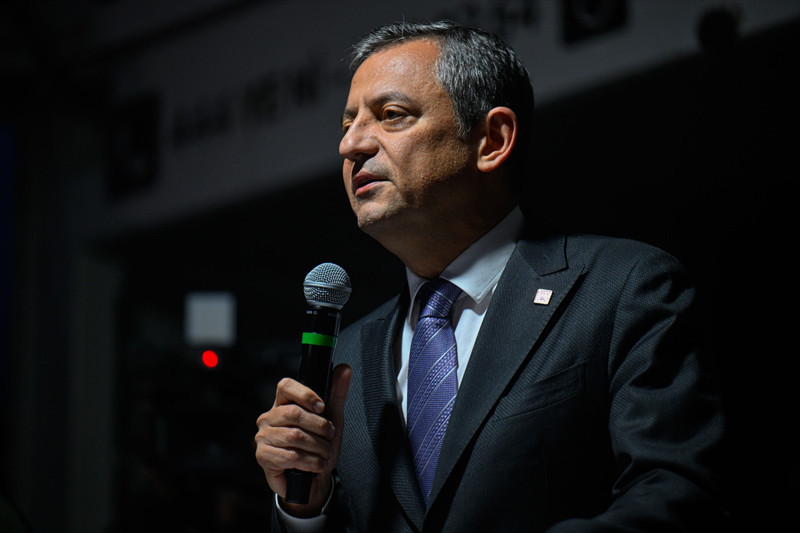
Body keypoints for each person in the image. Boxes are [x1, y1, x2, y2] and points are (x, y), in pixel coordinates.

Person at [255, 20, 727, 532]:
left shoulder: (622, 289)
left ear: (492, 140)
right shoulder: (347, 354)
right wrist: (306, 508)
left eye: (391, 116)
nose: (351, 145)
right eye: (347, 124)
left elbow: (678, 497)